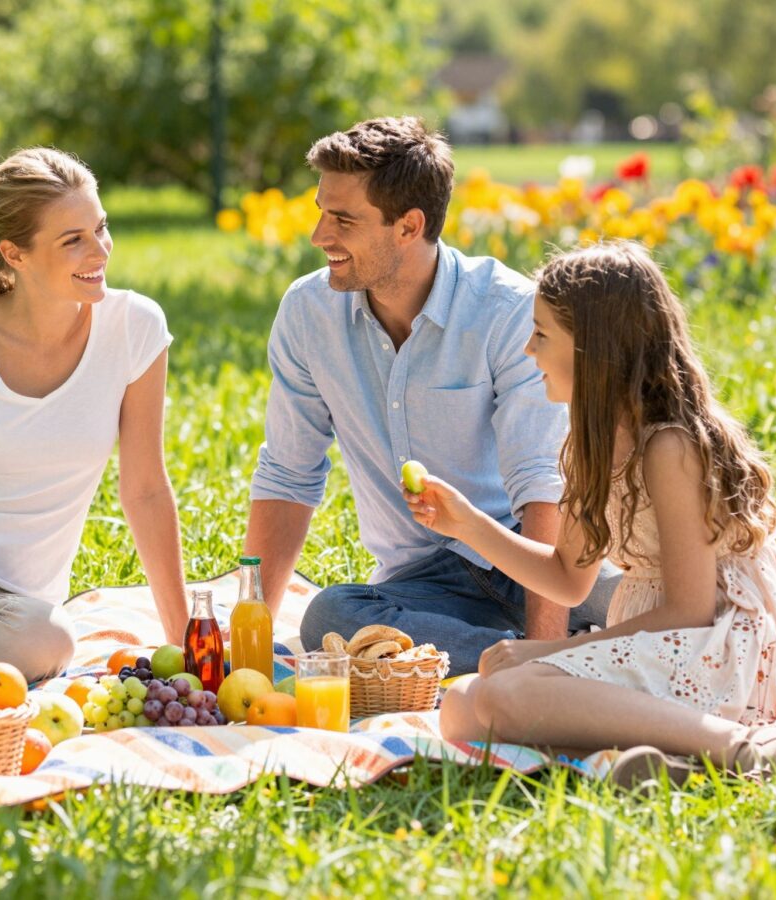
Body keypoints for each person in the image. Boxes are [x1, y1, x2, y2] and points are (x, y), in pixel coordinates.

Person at [410, 241, 776, 780]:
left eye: (542, 333)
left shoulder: (669, 447)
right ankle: (647, 762)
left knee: (510, 691)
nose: (529, 349)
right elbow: (566, 580)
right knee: (461, 708)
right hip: (654, 633)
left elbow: (690, 610)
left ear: (593, 349)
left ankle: (747, 749)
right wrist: (465, 523)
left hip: (718, 641)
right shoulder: (587, 443)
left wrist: (541, 654)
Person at [242, 116, 617, 674]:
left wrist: (540, 659)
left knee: (662, 606)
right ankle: (561, 660)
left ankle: (538, 658)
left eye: (342, 219)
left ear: (409, 226)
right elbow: (288, 475)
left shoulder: (508, 311)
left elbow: (543, 485)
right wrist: (250, 638)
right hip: (423, 585)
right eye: (321, 211)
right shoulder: (308, 314)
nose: (320, 235)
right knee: (330, 617)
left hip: (533, 552)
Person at [0, 147, 188, 678]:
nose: (98, 250)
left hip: (14, 609)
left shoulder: (135, 328)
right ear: (15, 253)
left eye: (100, 228)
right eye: (72, 240)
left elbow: (145, 489)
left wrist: (185, 641)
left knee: (47, 640)